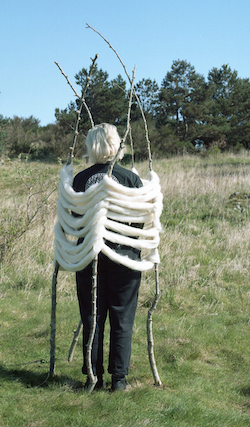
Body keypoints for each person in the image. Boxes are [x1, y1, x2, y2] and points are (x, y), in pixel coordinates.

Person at [73, 123, 143, 392]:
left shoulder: (80, 180)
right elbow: (140, 221)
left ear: (91, 146)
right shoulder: (130, 179)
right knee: (122, 319)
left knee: (92, 319)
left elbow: (74, 219)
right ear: (117, 145)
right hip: (124, 258)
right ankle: (120, 380)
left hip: (88, 257)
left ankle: (93, 378)